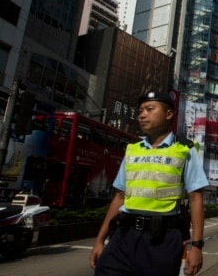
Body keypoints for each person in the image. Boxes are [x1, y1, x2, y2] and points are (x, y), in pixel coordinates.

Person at [89, 91, 208, 276]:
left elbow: (195, 198)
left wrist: (197, 246)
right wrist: (100, 240)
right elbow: (119, 197)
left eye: (149, 109)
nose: (142, 115)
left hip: (162, 240)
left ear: (169, 114)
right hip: (123, 236)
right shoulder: (132, 149)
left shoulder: (184, 149)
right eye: (140, 111)